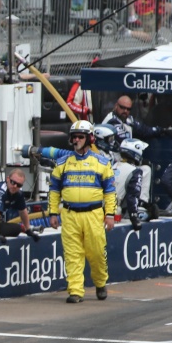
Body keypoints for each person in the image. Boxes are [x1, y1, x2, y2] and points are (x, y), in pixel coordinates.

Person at [48, 120, 116, 304]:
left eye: (80, 136)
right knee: (72, 255)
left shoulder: (102, 162)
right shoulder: (62, 162)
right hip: (69, 214)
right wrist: (53, 213)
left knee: (96, 253)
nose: (76, 139)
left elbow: (110, 192)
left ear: (90, 138)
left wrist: (110, 214)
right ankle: (76, 291)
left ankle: (100, 283)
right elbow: (54, 190)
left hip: (93, 214)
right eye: (74, 136)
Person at [113, 139, 151, 230]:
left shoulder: (113, 166)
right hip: (117, 214)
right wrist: (134, 218)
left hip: (103, 212)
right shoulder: (134, 171)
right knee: (146, 214)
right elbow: (132, 196)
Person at [100, 95, 167, 142]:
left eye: (128, 109)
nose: (125, 111)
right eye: (122, 107)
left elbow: (144, 130)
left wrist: (162, 130)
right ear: (116, 106)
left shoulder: (128, 120)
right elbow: (124, 142)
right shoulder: (112, 121)